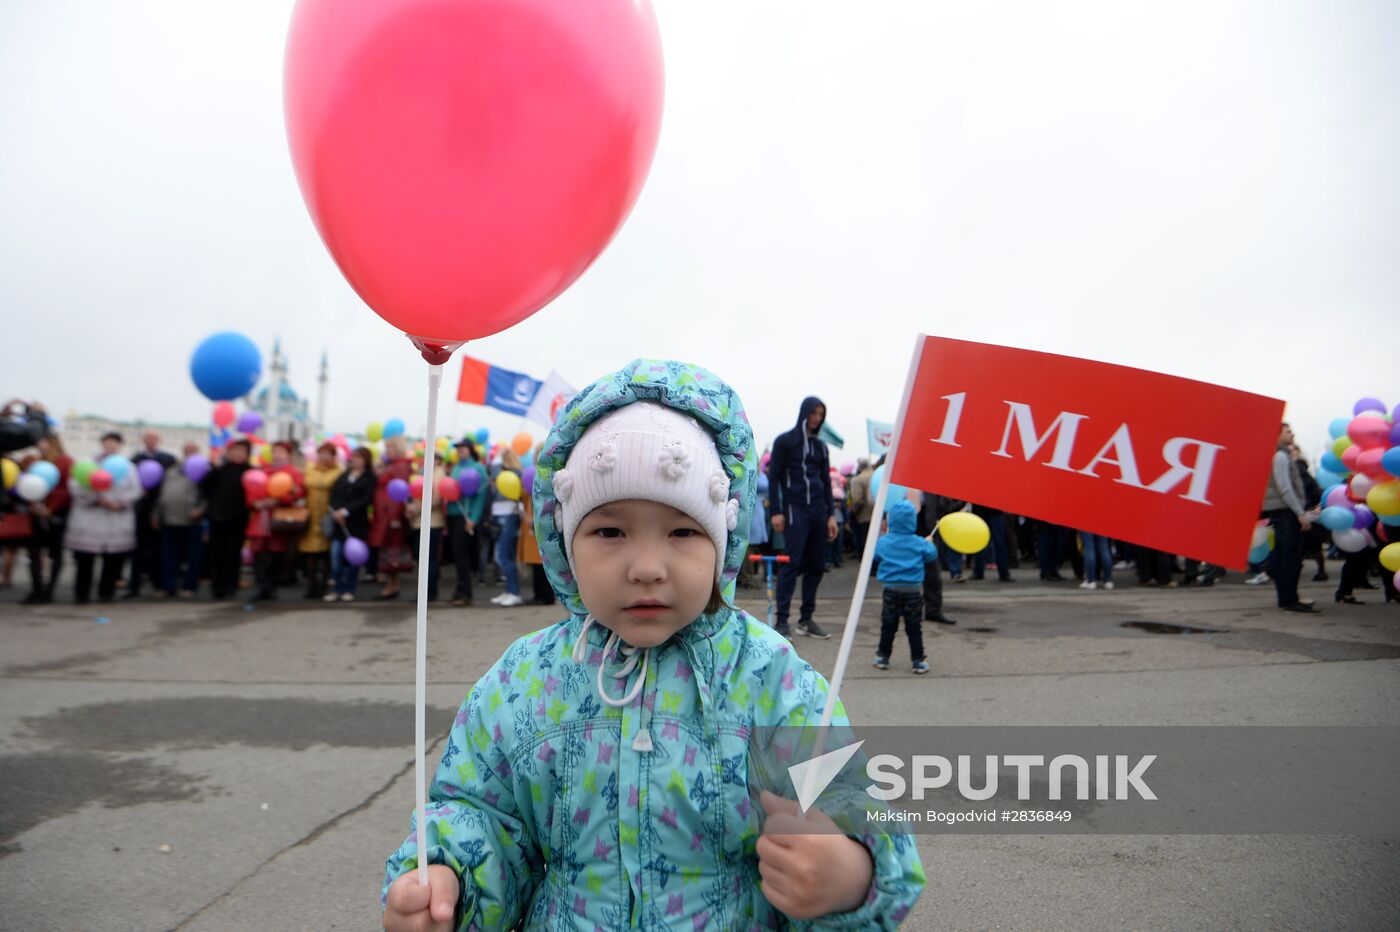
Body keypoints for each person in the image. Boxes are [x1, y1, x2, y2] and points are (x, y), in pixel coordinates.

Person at [380, 360, 924, 931]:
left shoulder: (774, 682)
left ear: (724, 539)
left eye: (683, 531)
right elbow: (482, 813)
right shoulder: (526, 680)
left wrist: (851, 875)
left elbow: (852, 804)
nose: (645, 568)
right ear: (564, 541)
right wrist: (449, 879)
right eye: (609, 531)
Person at [766, 396, 836, 639]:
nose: (816, 419)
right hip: (795, 509)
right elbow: (773, 477)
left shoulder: (821, 446)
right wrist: (776, 511)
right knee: (791, 563)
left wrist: (831, 515)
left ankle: (806, 619)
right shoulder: (785, 441)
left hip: (818, 511)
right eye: (813, 413)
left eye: (820, 414)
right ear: (805, 413)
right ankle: (782, 620)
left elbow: (826, 482)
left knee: (817, 565)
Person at [64, 432, 140, 603]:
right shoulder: (87, 464)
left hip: (116, 518)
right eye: (108, 442)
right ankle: (81, 594)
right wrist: (97, 499)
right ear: (102, 443)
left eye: (115, 442)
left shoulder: (127, 467)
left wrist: (119, 503)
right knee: (85, 560)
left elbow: (135, 490)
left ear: (120, 445)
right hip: (89, 518)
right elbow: (75, 486)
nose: (111, 445)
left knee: (113, 561)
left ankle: (106, 592)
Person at [872, 499, 937, 674]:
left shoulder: (884, 542)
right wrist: (929, 542)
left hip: (890, 590)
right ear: (912, 521)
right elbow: (932, 555)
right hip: (913, 592)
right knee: (914, 627)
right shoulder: (919, 542)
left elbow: (875, 556)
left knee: (888, 625)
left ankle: (883, 657)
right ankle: (918, 660)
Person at [1261, 422, 1321, 613]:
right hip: (1286, 512)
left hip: (1282, 511)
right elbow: (1284, 487)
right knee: (1291, 557)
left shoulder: (1281, 455)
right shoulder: (1280, 456)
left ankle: (1287, 597)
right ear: (1277, 435)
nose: (1292, 434)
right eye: (1288, 432)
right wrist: (1299, 513)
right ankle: (1289, 599)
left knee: (1282, 556)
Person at [245, 441, 306, 601]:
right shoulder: (263, 471)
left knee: (276, 553)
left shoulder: (293, 473)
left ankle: (272, 586)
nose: (277, 455)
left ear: (288, 454)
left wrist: (280, 499)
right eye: (275, 451)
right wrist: (256, 503)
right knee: (258, 552)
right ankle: (261, 586)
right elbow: (252, 489)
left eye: (281, 452)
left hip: (279, 518)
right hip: (260, 517)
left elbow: (298, 494)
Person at [23, 433, 72, 604]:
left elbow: (66, 490)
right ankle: (37, 588)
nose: (39, 445)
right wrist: (34, 507)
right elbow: (28, 485)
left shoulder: (65, 461)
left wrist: (51, 509)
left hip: (56, 514)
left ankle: (50, 590)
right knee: (33, 551)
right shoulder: (35, 462)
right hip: (37, 512)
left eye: (42, 441)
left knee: (55, 552)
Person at [127, 430, 176, 598]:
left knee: (158, 550)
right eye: (148, 438)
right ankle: (133, 586)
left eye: (154, 438)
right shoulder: (135, 459)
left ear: (159, 440)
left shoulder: (168, 459)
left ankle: (158, 585)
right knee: (137, 550)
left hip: (159, 511)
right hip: (139, 510)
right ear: (143, 440)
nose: (151, 441)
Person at [201, 439, 251, 600]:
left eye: (241, 451)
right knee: (217, 553)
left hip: (239, 519)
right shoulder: (219, 470)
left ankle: (231, 585)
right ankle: (217, 586)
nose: (237, 453)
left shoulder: (250, 472)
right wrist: (213, 469)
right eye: (234, 450)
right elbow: (204, 489)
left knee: (233, 553)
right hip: (217, 518)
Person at [154, 443, 206, 598]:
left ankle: (190, 586)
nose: (189, 454)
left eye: (193, 451)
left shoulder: (204, 472)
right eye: (187, 451)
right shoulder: (171, 471)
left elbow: (207, 497)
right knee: (169, 556)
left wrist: (200, 511)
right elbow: (162, 495)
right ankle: (169, 586)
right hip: (170, 521)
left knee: (192, 557)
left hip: (191, 522)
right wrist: (157, 514)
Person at [327, 446, 375, 602]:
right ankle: (337, 589)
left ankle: (349, 588)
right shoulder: (344, 476)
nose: (354, 460)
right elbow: (334, 495)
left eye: (358, 458)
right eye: (353, 457)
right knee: (336, 556)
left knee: (353, 558)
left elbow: (365, 499)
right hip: (338, 524)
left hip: (356, 524)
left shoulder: (369, 478)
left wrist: (346, 511)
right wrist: (335, 511)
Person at [369, 436, 414, 599]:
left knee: (392, 551)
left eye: (389, 447)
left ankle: (392, 585)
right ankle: (390, 583)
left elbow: (398, 493)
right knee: (388, 550)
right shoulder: (393, 465)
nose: (387, 451)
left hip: (390, 516)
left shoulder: (400, 466)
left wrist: (395, 516)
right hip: (384, 514)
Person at [299, 441, 344, 599]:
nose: (323, 456)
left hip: (328, 516)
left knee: (326, 553)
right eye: (321, 453)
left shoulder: (339, 471)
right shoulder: (309, 469)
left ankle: (324, 583)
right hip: (310, 515)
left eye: (327, 453)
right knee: (310, 552)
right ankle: (311, 585)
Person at [445, 439, 487, 606]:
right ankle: (459, 590)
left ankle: (465, 592)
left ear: (470, 449)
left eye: (463, 448)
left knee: (462, 554)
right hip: (453, 515)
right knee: (456, 554)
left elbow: (480, 496)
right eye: (458, 448)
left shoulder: (478, 468)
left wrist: (474, 518)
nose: (460, 450)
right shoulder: (456, 467)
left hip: (466, 517)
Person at [489, 447, 525, 606]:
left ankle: (514, 592)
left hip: (509, 516)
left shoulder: (513, 473)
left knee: (503, 555)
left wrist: (496, 460)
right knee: (505, 555)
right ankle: (510, 590)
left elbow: (495, 476)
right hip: (501, 515)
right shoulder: (513, 473)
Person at [517, 457, 554, 606]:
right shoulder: (534, 475)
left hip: (540, 523)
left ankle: (545, 595)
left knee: (541, 564)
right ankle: (539, 594)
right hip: (533, 525)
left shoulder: (544, 476)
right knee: (537, 564)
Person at [847, 457, 874, 557]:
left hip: (863, 515)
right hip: (878, 515)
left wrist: (854, 511)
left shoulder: (857, 480)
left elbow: (858, 499)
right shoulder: (878, 475)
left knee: (863, 541)